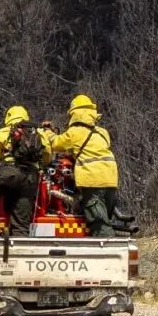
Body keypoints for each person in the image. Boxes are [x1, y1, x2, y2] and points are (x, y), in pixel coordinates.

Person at [43, 95, 118, 237]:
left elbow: (56, 144)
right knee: (105, 219)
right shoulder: (103, 133)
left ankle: (106, 255)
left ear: (74, 114)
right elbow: (88, 150)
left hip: (92, 180)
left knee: (99, 224)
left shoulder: (75, 132)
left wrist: (47, 132)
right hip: (111, 180)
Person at [0, 105, 48, 235]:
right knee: (21, 223)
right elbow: (47, 154)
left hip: (9, 176)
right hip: (30, 179)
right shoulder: (38, 133)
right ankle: (19, 248)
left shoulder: (2, 133)